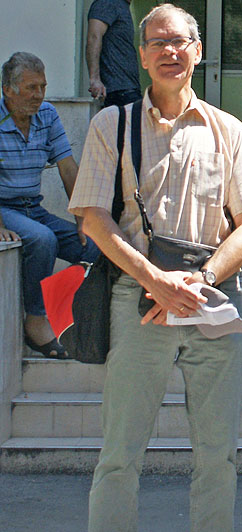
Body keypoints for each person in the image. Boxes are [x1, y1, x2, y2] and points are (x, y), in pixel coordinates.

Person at [69, 5, 242, 531]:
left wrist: (201, 281)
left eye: (179, 41)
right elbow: (93, 219)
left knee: (218, 457)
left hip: (212, 299)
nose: (169, 50)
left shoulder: (228, 129)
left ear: (198, 51)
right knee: (119, 455)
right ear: (141, 56)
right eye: (157, 42)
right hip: (137, 300)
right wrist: (155, 281)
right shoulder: (112, 124)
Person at [0, 51, 99, 359]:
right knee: (43, 240)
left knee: (94, 247)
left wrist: (83, 216)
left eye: (42, 86)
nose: (39, 95)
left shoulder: (48, 115)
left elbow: (67, 167)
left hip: (34, 207)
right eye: (31, 88)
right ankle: (36, 320)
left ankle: (64, 311)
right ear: (8, 89)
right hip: (5, 208)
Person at [86, 0, 142, 107]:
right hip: (117, 92)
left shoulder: (122, 5)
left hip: (128, 89)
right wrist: (95, 79)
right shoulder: (107, 3)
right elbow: (93, 37)